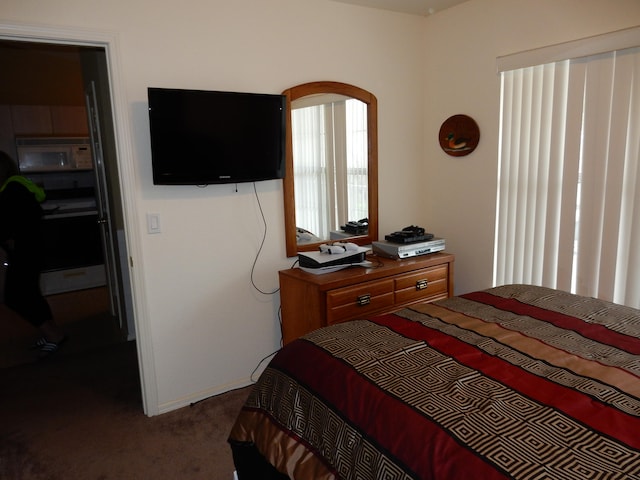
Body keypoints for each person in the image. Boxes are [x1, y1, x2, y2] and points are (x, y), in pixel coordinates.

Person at [0, 150, 66, 358]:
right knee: (30, 294)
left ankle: (54, 335)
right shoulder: (14, 185)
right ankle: (53, 333)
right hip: (30, 251)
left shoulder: (12, 189)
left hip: (25, 252)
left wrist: (11, 237)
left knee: (15, 296)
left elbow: (13, 222)